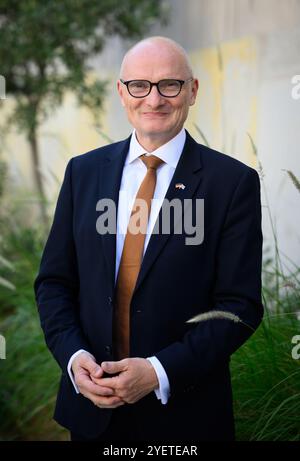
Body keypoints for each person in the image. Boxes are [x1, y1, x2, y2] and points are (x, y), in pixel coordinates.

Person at [34, 36, 263, 441]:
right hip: (92, 407)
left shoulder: (232, 183)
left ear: (192, 91)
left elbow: (240, 306)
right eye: (139, 85)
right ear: (122, 93)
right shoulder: (82, 173)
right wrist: (73, 357)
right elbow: (55, 283)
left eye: (169, 85)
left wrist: (158, 372)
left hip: (185, 416)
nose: (153, 99)